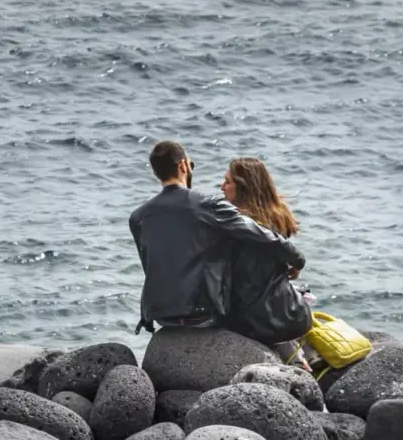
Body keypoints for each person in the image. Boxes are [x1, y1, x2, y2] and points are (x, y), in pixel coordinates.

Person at [129, 140, 304, 334]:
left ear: (155, 173)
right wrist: (297, 260)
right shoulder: (207, 205)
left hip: (159, 315)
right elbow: (264, 237)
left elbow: (150, 265)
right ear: (183, 166)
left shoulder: (138, 217)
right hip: (202, 314)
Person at [219, 156, 315, 348]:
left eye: (227, 182)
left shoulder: (234, 226)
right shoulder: (277, 216)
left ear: (243, 187)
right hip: (292, 316)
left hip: (251, 324)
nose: (222, 186)